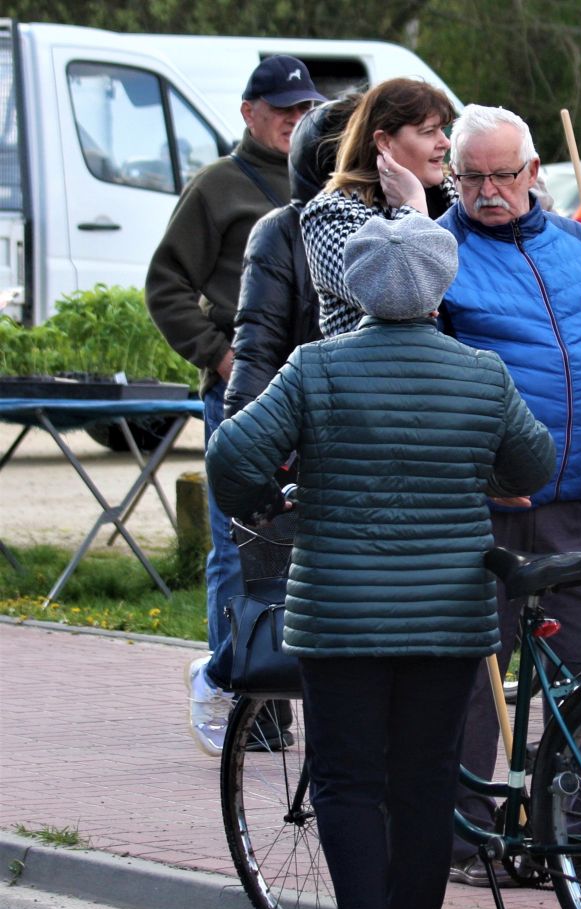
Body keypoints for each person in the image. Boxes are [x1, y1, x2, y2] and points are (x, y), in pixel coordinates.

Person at [205, 212, 555, 909]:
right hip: (449, 617)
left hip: (339, 616)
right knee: (425, 782)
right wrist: (483, 469)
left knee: (347, 778)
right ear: (443, 284)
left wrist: (263, 495)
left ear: (350, 284)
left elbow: (232, 455)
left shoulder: (313, 369)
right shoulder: (481, 373)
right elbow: (536, 459)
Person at [434, 104, 581, 887]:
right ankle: (469, 842)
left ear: (534, 173)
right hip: (484, 507)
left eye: (503, 175)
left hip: (576, 501)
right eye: (471, 176)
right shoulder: (439, 251)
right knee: (476, 679)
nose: (488, 191)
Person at [144, 55, 326, 756]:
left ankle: (279, 685)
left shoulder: (326, 181)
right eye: (281, 109)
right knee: (239, 544)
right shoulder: (216, 188)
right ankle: (238, 684)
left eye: (303, 107)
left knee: (302, 544)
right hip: (245, 392)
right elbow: (165, 286)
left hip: (310, 389)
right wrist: (219, 356)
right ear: (249, 113)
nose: (293, 119)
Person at [226, 92, 362, 417]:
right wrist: (240, 442)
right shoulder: (283, 231)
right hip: (315, 428)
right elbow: (258, 351)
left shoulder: (413, 221)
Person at [301, 77, 457, 339]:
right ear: (384, 141)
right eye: (429, 132)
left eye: (443, 130)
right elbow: (397, 298)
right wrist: (414, 208)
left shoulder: (456, 197)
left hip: (459, 373)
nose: (445, 142)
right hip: (376, 375)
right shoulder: (330, 214)